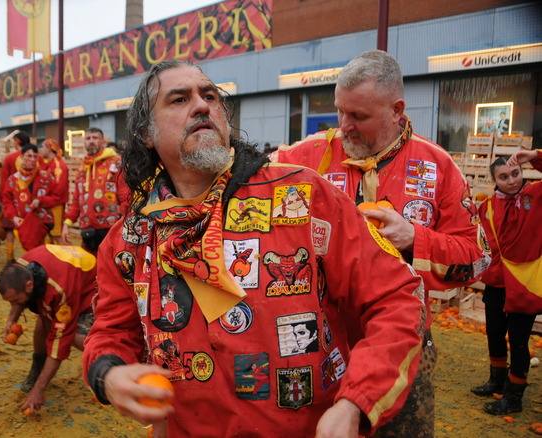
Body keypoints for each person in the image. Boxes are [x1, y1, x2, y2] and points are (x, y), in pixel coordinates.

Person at [82, 59, 426, 438]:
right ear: (147, 134)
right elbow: (111, 332)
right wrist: (108, 374)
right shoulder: (129, 240)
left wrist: (354, 404)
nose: (201, 106)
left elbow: (396, 298)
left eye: (210, 95)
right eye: (179, 99)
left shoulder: (303, 195)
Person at [274, 50, 491, 437]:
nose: (344, 126)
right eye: (340, 111)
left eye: (358, 116)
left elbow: (477, 259)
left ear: (397, 110)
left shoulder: (438, 166)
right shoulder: (305, 157)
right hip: (317, 340)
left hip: (401, 345)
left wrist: (415, 239)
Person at [471, 150, 542, 415]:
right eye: (504, 177)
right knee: (494, 334)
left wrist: (534, 156)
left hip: (524, 283)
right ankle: (496, 381)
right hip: (496, 283)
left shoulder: (536, 196)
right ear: (494, 180)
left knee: (519, 341)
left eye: (515, 174)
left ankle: (513, 398)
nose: (511, 181)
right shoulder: (486, 207)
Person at [0, 244, 98, 414]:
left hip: (91, 291)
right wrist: (11, 321)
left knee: (73, 337)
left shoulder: (60, 290)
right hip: (68, 275)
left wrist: (39, 390)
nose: (13, 305)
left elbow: (60, 340)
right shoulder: (20, 267)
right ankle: (37, 368)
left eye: (15, 301)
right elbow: (20, 298)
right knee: (42, 325)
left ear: (30, 285)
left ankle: (109, 366)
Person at [62, 127, 128, 253]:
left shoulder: (116, 163)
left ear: (102, 141)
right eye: (88, 138)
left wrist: (126, 222)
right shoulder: (83, 169)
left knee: (110, 263)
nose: (91, 141)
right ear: (84, 142)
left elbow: (125, 195)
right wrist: (67, 224)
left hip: (111, 228)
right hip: (87, 230)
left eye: (95, 138)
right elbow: (76, 201)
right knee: (90, 264)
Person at [1, 144, 58, 251]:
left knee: (43, 252)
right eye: (29, 156)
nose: (32, 159)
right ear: (21, 157)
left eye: (35, 156)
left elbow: (56, 197)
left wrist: (41, 201)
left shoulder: (46, 177)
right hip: (23, 222)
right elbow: (7, 200)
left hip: (43, 222)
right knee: (29, 254)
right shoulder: (13, 179)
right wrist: (13, 216)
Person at [0, 131, 31, 264]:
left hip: (13, 197)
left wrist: (3, 199)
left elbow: (4, 179)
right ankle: (31, 256)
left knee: (10, 228)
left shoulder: (10, 158)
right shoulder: (36, 157)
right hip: (30, 198)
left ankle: (9, 256)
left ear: (17, 141)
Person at [38, 138, 69, 244]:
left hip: (55, 205)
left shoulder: (58, 165)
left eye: (42, 147)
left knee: (57, 234)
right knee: (49, 234)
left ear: (49, 148)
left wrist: (44, 200)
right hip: (47, 203)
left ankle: (66, 254)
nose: (40, 149)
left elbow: (58, 191)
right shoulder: (48, 164)